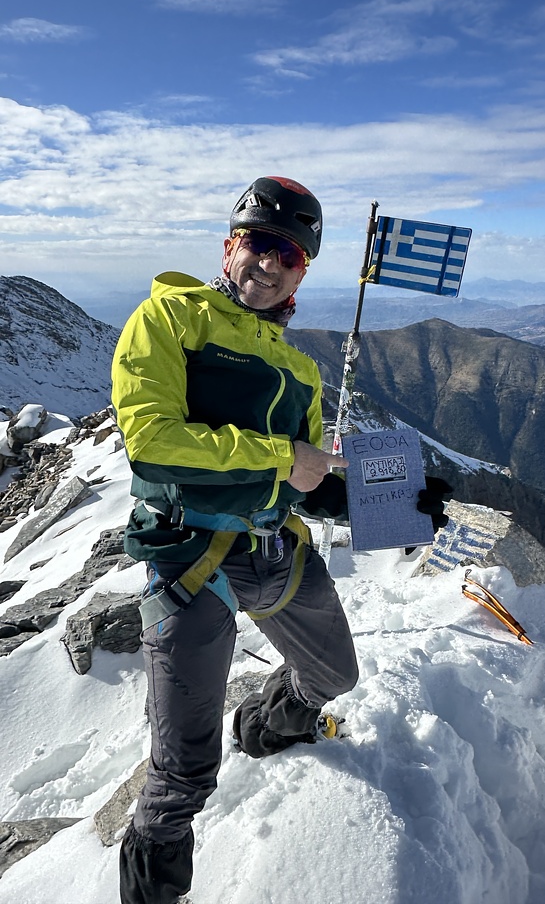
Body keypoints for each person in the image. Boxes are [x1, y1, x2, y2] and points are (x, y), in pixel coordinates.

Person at [111, 175, 451, 904]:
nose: (270, 264)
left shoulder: (300, 370)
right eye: (260, 244)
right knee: (181, 777)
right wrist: (277, 456)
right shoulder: (169, 318)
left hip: (275, 550)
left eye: (290, 255)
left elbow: (309, 482)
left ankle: (267, 729)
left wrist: (399, 504)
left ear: (303, 271)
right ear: (230, 245)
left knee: (334, 679)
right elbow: (152, 442)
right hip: (191, 559)